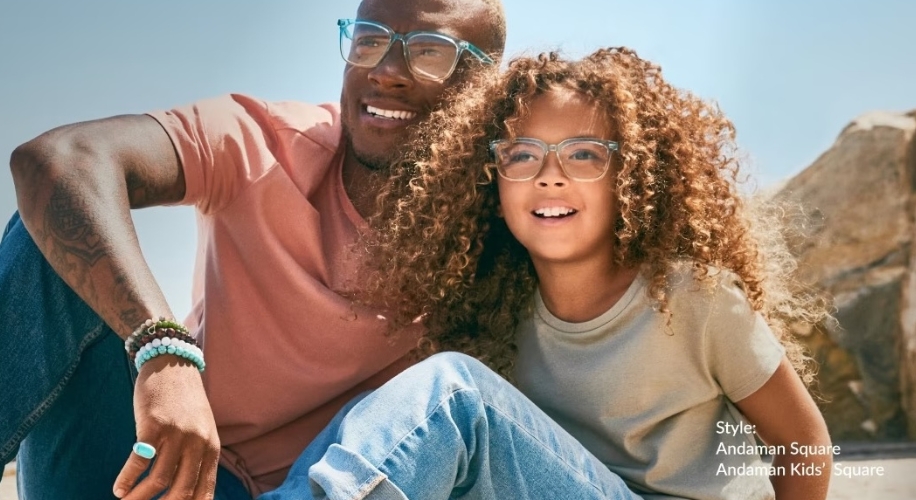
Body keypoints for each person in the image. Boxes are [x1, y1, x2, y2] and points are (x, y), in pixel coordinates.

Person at [260, 48, 835, 499]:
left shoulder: (695, 299)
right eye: (522, 154)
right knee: (367, 417)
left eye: (584, 154)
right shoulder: (495, 310)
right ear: (492, 181)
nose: (549, 175)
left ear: (631, 179)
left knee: (453, 393)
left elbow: (802, 442)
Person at [1, 0, 506, 498]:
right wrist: (161, 350)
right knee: (51, 227)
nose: (386, 72)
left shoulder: (502, 221)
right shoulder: (264, 143)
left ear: (487, 86)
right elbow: (58, 160)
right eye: (369, 41)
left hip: (288, 489)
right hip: (145, 453)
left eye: (431, 52)